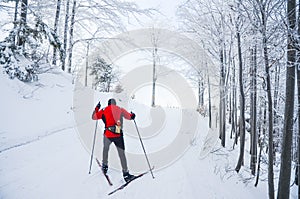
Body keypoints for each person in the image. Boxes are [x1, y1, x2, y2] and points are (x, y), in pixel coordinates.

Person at [92, 98, 136, 182]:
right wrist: (132, 115)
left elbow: (94, 117)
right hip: (118, 135)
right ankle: (126, 174)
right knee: (121, 154)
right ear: (115, 104)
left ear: (108, 104)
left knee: (105, 150)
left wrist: (97, 108)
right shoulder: (120, 109)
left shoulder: (104, 110)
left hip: (107, 135)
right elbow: (130, 117)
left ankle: (104, 166)